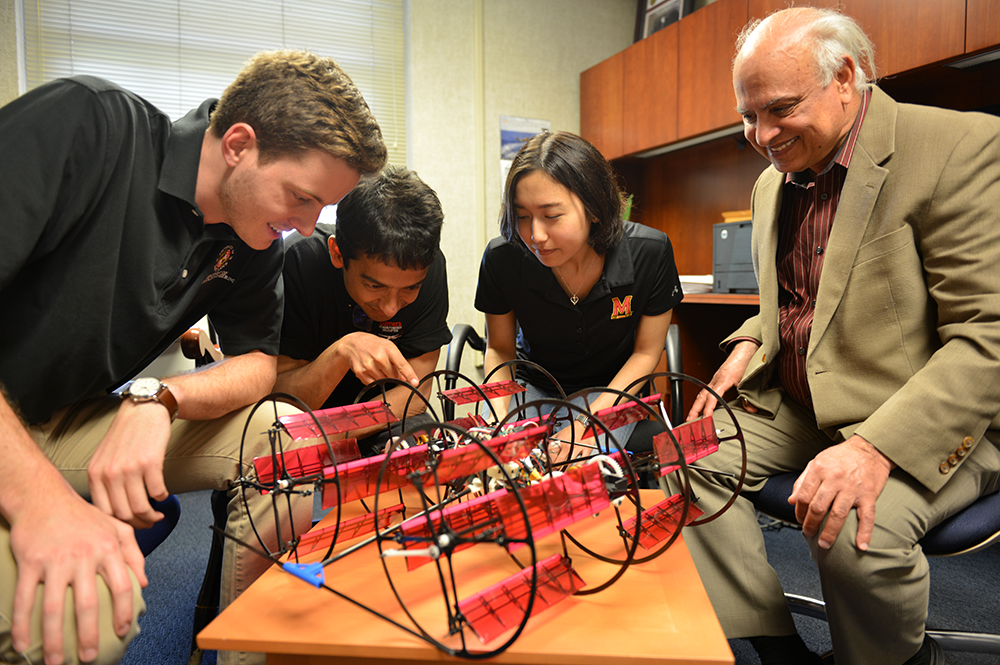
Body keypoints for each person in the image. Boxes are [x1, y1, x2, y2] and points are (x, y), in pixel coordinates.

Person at [0, 49, 386, 665]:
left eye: (321, 208)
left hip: (64, 421)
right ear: (238, 143)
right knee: (85, 625)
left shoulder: (252, 235)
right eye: (301, 196)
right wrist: (39, 500)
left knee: (282, 437)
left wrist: (161, 398)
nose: (308, 225)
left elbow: (259, 363)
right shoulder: (88, 126)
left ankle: (245, 651)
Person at [682, 8, 1000, 665]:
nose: (760, 134)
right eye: (747, 116)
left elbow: (986, 335)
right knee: (681, 453)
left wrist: (874, 447)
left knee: (854, 526)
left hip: (927, 413)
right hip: (806, 402)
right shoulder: (774, 181)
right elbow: (809, 298)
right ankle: (775, 644)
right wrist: (748, 340)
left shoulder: (958, 147)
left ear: (846, 78)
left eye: (778, 109)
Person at [475, 130, 683, 460]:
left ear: (595, 207)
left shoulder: (650, 252)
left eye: (552, 216)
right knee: (502, 462)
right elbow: (499, 350)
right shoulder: (503, 257)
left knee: (580, 469)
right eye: (523, 216)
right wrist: (499, 419)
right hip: (534, 385)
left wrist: (586, 423)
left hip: (612, 388)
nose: (535, 235)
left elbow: (645, 355)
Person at [275, 165, 452, 455]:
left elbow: (416, 392)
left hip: (386, 410)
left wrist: (346, 434)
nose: (391, 307)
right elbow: (283, 397)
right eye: (375, 287)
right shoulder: (298, 262)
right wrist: (342, 352)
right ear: (337, 254)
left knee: (426, 463)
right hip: (305, 415)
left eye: (409, 289)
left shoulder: (429, 267)